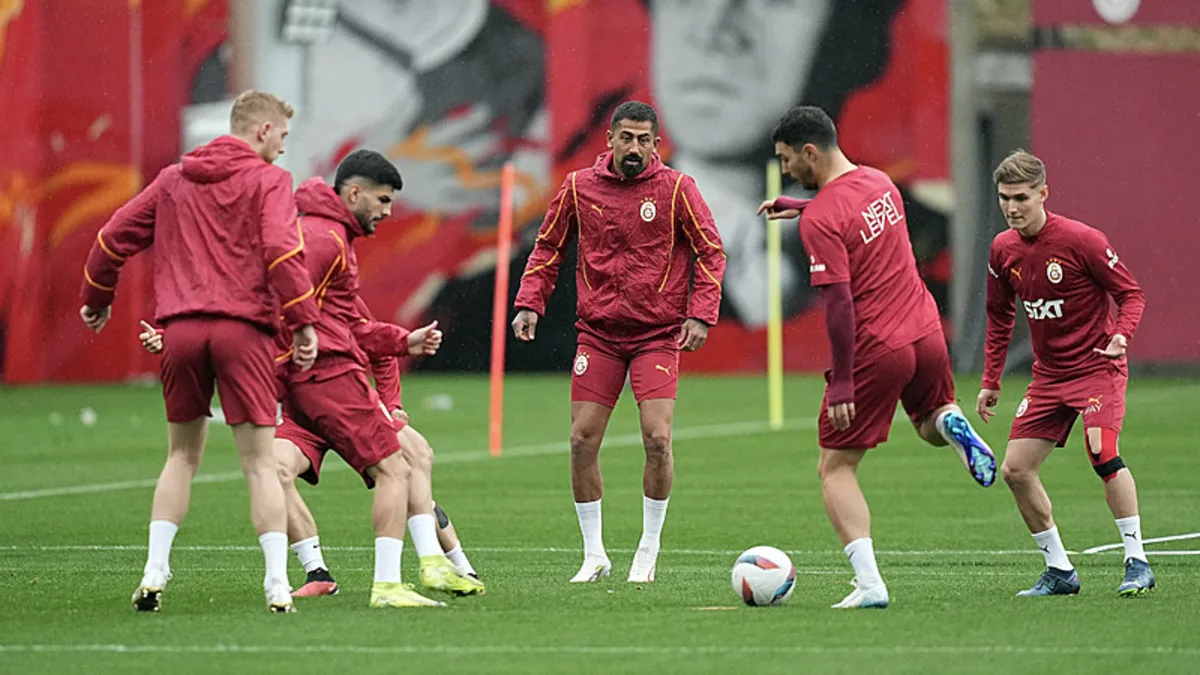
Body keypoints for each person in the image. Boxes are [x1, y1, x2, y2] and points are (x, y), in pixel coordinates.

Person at [80, 89, 320, 613]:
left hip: (181, 332)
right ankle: (278, 583)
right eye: (282, 136)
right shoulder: (270, 180)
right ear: (261, 130)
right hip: (244, 332)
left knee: (181, 457)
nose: (283, 148)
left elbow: (111, 238)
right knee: (259, 464)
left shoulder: (173, 180)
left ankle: (154, 570)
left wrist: (96, 299)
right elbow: (282, 251)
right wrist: (303, 320)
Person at [758, 106, 995, 610]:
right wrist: (803, 207)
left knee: (835, 467)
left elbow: (839, 305)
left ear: (809, 152)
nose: (785, 170)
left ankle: (869, 584)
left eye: (786, 159)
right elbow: (846, 210)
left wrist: (843, 382)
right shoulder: (879, 182)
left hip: (877, 347)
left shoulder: (822, 219)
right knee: (930, 422)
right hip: (926, 331)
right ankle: (953, 422)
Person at [137, 300, 484, 598]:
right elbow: (223, 331)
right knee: (272, 469)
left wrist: (391, 404)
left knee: (413, 459)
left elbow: (378, 343)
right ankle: (317, 572)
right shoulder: (258, 298)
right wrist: (170, 339)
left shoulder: (329, 285)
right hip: (303, 418)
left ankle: (458, 567)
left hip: (348, 406)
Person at [512, 101, 726, 584]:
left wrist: (700, 314)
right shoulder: (578, 187)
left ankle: (648, 548)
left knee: (657, 438)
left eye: (643, 140)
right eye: (626, 137)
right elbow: (548, 246)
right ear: (609, 139)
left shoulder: (677, 189)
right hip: (599, 334)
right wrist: (530, 303)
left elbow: (711, 251)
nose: (634, 147)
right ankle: (594, 554)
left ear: (656, 144)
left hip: (656, 334)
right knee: (581, 441)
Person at [269, 150, 483, 606]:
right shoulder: (324, 238)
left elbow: (357, 328)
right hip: (326, 381)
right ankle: (393, 579)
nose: (388, 211)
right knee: (397, 467)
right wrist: (277, 364)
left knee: (409, 458)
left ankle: (446, 565)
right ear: (354, 193)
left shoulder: (331, 237)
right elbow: (280, 303)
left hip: (314, 387)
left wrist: (403, 348)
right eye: (383, 200)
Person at [977, 150, 1153, 597]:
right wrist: (991, 380)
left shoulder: (1082, 240)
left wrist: (1121, 335)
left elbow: (1131, 294)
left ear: (1043, 194)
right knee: (1015, 470)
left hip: (1096, 367)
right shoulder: (1002, 249)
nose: (1012, 207)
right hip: (1049, 377)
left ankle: (1137, 562)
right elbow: (999, 316)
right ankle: (1059, 570)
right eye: (1004, 198)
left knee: (1101, 452)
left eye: (1021, 198)